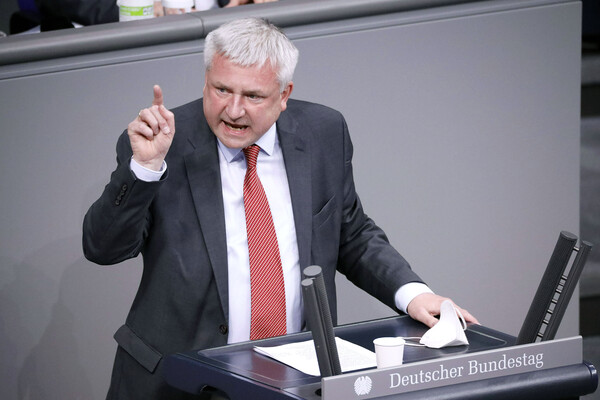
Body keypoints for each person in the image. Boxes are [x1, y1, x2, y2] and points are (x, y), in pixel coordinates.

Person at [82, 17, 478, 400]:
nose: (233, 110)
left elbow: (351, 233)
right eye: (221, 90)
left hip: (293, 380)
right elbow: (103, 248)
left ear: (284, 95)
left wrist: (413, 293)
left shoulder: (323, 132)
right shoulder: (162, 141)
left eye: (253, 96)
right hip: (178, 381)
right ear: (206, 80)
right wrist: (144, 170)